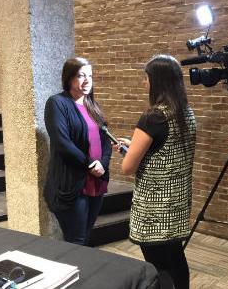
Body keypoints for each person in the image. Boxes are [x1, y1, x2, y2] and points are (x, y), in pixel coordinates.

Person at [116, 55, 196, 289]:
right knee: (176, 258)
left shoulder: (153, 117)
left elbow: (128, 167)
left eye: (146, 77)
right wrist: (133, 145)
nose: (144, 82)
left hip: (155, 209)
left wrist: (127, 151)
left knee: (159, 265)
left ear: (156, 81)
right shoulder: (185, 113)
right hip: (177, 202)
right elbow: (164, 150)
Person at [44, 57, 112, 246]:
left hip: (96, 180)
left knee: (85, 236)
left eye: (90, 75)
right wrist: (90, 164)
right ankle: (74, 274)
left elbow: (105, 140)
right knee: (76, 240)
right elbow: (61, 142)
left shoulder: (92, 105)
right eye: (81, 75)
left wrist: (103, 164)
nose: (87, 80)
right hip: (73, 184)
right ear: (69, 78)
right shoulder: (57, 103)